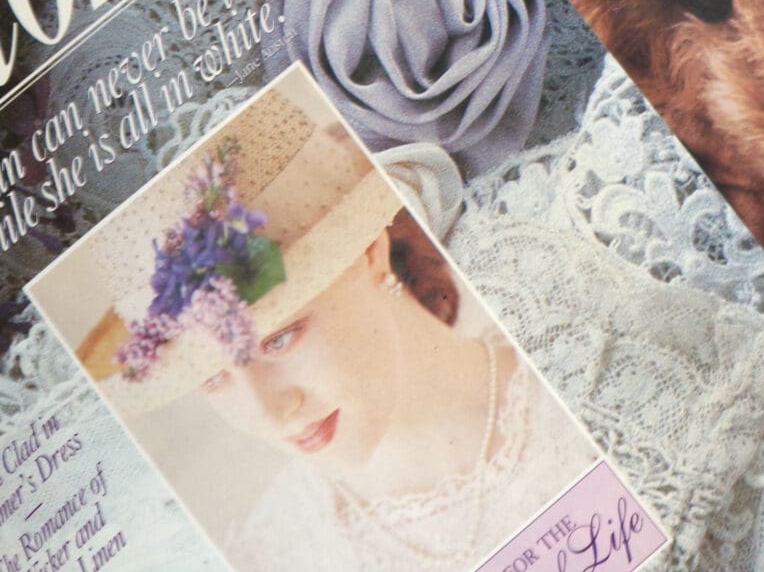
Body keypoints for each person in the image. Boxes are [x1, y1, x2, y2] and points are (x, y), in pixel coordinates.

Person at [61, 74, 595, 572]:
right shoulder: (278, 552)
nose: (270, 414)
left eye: (278, 338)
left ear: (371, 252)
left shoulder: (577, 356)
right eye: (212, 378)